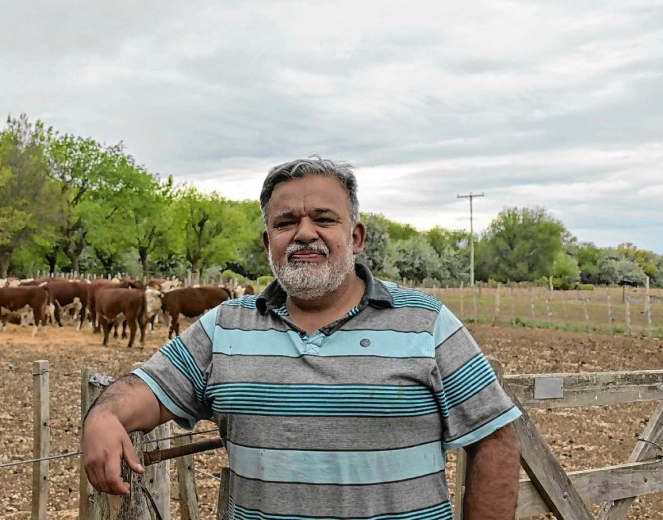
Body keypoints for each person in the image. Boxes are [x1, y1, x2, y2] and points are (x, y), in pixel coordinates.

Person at [82, 157, 522, 519]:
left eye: (324, 219)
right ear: (268, 240)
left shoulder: (426, 322)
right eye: (286, 222)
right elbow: (145, 391)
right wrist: (103, 417)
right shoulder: (225, 328)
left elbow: (496, 437)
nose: (304, 233)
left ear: (356, 236)